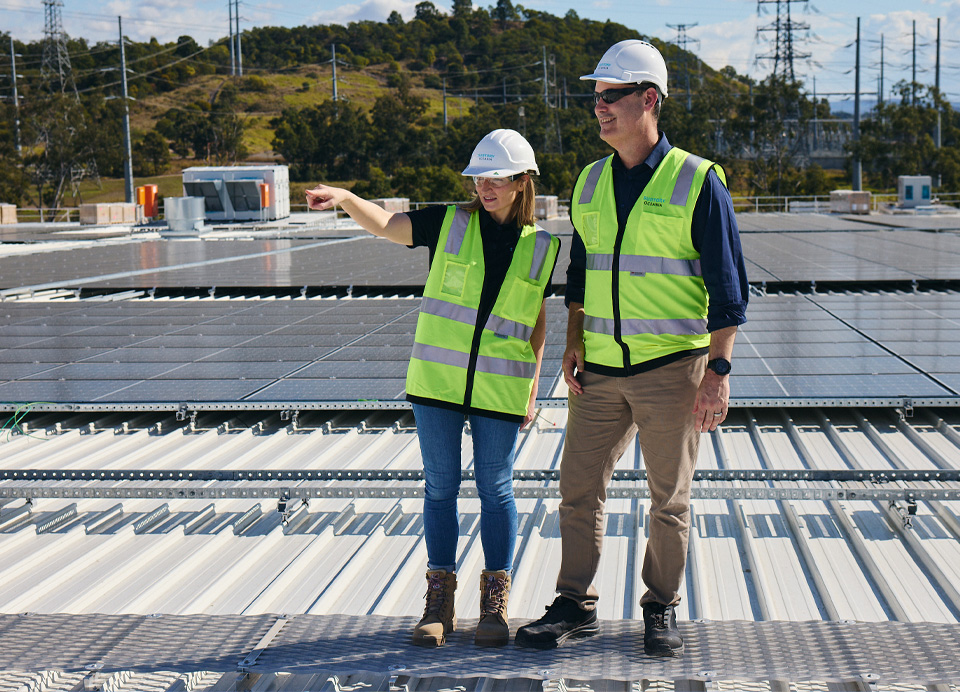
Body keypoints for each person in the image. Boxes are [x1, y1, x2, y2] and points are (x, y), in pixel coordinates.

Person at [515, 40, 748, 657]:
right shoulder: (590, 181)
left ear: (649, 99)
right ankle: (574, 604)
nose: (600, 108)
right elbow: (582, 271)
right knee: (578, 487)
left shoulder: (697, 180)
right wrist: (572, 342)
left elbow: (728, 288)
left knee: (667, 498)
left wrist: (717, 373)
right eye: (595, 98)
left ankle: (660, 605)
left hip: (673, 370)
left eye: (611, 96)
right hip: (599, 372)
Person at [306, 129, 559, 648]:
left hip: (501, 389)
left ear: (521, 181)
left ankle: (494, 605)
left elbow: (537, 323)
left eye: (496, 177)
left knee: (496, 490)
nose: (484, 186)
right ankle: (438, 601)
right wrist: (348, 198)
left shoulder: (544, 247)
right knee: (440, 489)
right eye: (478, 177)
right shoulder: (450, 222)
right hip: (437, 384)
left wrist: (533, 386)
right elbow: (388, 225)